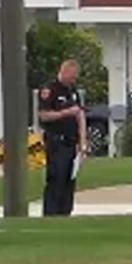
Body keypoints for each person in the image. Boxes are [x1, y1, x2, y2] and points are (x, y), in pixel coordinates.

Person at [37, 58, 87, 217]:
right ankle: (51, 213)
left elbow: (80, 116)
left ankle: (66, 213)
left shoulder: (73, 91)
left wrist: (83, 142)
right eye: (71, 77)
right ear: (63, 72)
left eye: (75, 78)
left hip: (71, 143)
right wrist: (64, 113)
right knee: (56, 179)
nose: (73, 80)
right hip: (55, 142)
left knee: (69, 181)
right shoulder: (49, 90)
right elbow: (43, 116)